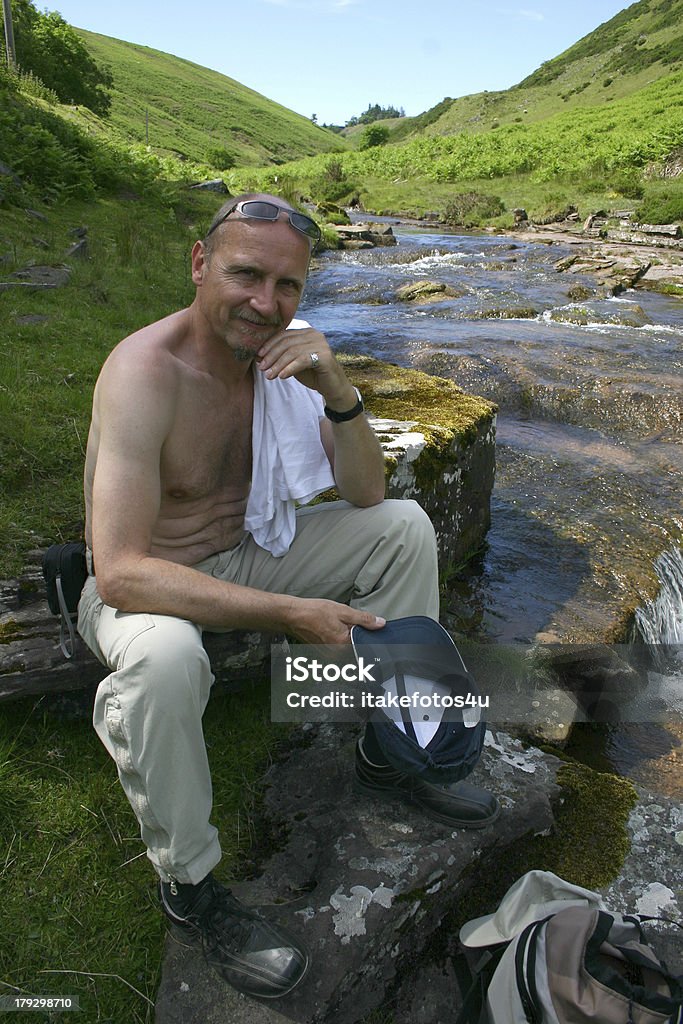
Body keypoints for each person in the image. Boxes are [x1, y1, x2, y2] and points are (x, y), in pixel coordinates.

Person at [77, 193, 498, 1000]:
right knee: (164, 663)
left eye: (287, 286)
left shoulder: (281, 361)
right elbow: (120, 569)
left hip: (247, 552)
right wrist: (290, 616)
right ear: (200, 265)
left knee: (405, 526)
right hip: (147, 583)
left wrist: (336, 382)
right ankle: (190, 885)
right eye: (245, 274)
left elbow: (369, 495)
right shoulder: (144, 371)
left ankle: (393, 747)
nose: (265, 303)